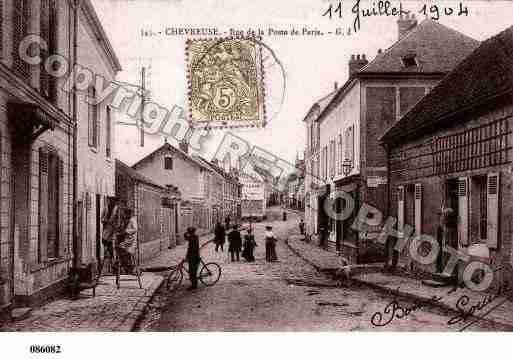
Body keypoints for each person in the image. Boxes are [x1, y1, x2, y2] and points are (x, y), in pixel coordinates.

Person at [118, 208, 138, 274]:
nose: (125, 215)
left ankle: (129, 267)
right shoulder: (127, 220)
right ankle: (127, 266)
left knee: (123, 248)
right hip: (127, 239)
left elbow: (135, 229)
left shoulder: (132, 220)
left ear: (129, 214)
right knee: (124, 251)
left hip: (131, 240)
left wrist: (126, 231)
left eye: (126, 214)